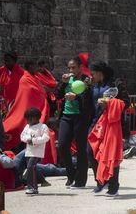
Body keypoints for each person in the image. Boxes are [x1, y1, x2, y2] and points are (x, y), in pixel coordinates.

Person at [86, 61, 130, 196]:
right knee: (91, 152)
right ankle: (100, 180)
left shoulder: (115, 85)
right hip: (95, 124)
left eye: (93, 74)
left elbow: (126, 103)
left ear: (100, 73)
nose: (91, 76)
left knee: (111, 155)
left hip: (111, 125)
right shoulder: (93, 85)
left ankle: (113, 186)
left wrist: (109, 103)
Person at [55, 56, 93, 188]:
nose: (71, 70)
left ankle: (81, 180)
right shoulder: (67, 79)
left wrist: (76, 97)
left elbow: (88, 100)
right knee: (62, 145)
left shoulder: (86, 80)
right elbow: (57, 95)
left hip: (80, 117)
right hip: (66, 116)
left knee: (81, 149)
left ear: (80, 68)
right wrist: (63, 83)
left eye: (73, 68)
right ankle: (71, 174)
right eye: (69, 68)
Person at [3, 60, 49, 151]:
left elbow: (41, 90)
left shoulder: (35, 78)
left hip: (33, 110)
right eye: (36, 66)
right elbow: (29, 94)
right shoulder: (25, 79)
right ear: (31, 67)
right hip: (24, 110)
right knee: (16, 127)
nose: (38, 68)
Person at [20, 107, 50, 194]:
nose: (27, 121)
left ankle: (32, 187)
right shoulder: (27, 127)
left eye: (28, 119)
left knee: (30, 167)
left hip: (37, 152)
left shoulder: (43, 126)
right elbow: (22, 136)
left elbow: (46, 137)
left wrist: (34, 140)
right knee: (32, 168)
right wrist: (27, 139)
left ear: (35, 118)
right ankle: (41, 181)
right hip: (29, 151)